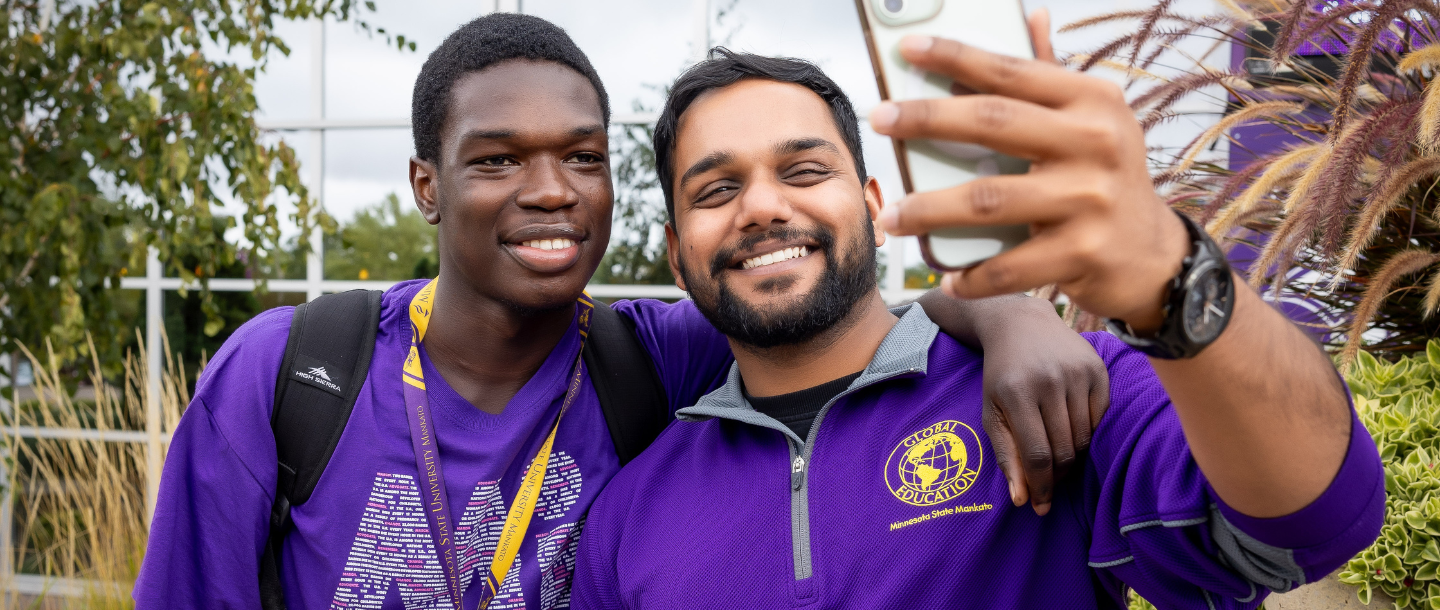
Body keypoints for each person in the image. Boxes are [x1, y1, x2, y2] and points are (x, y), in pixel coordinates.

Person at [132, 13, 1107, 610]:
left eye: (583, 157)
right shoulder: (292, 371)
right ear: (428, 185)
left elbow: (833, 306)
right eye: (499, 158)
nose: (552, 189)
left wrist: (1010, 311)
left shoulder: (662, 356)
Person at [568, 19, 1385, 610]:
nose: (763, 206)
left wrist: (1174, 280)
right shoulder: (629, 518)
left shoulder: (1059, 392)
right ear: (677, 254)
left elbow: (1314, 524)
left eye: (804, 169)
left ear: (872, 202)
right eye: (717, 189)